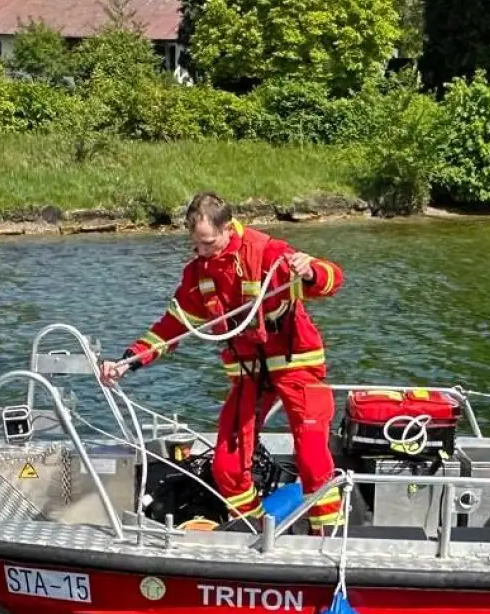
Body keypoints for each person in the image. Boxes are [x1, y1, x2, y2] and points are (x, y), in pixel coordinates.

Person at [101, 193, 345, 532]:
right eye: (196, 244)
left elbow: (332, 279)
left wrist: (309, 271)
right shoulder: (198, 274)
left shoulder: (267, 253)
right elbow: (171, 328)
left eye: (209, 243)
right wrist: (128, 361)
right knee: (227, 467)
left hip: (295, 364)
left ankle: (329, 536)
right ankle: (254, 531)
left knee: (312, 457)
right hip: (248, 374)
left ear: (228, 228)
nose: (203, 251)